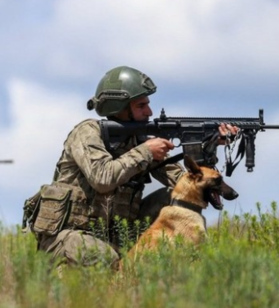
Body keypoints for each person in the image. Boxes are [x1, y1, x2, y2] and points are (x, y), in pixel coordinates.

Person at [24, 65, 237, 268]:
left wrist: (209, 147)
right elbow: (102, 178)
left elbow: (187, 185)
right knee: (105, 258)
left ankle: (188, 256)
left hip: (115, 236)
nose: (149, 112)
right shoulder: (87, 133)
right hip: (67, 236)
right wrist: (145, 152)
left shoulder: (138, 140)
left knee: (171, 196)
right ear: (119, 108)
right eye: (141, 105)